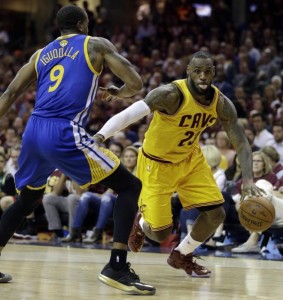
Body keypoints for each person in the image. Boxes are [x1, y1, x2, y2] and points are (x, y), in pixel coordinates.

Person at [0, 5, 155, 294]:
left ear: (59, 28)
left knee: (28, 198)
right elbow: (136, 82)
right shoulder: (95, 44)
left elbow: (9, 94)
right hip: (62, 131)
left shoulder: (40, 53)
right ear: (83, 24)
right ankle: (117, 266)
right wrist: (118, 92)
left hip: (33, 131)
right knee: (130, 186)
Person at [93, 51, 263, 277]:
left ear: (214, 73)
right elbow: (128, 115)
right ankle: (142, 222)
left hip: (190, 159)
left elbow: (241, 142)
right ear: (189, 72)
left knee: (216, 214)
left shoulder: (221, 103)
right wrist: (100, 136)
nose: (203, 76)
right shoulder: (170, 94)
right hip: (156, 165)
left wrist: (248, 179)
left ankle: (181, 255)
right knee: (161, 233)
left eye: (208, 71)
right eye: (198, 71)